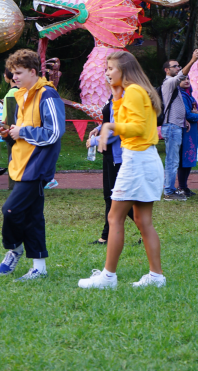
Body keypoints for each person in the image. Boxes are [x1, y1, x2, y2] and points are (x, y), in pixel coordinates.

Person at [78, 51, 166, 289]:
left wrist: (109, 125)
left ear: (124, 70)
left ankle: (108, 277)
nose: (106, 72)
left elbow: (136, 127)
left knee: (115, 217)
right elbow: (130, 118)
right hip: (144, 159)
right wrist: (116, 96)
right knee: (142, 220)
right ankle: (156, 277)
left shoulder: (135, 91)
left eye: (110, 68)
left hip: (137, 160)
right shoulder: (132, 92)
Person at [0, 49, 65, 281]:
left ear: (33, 72)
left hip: (36, 168)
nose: (13, 77)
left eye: (18, 73)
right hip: (19, 165)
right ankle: (39, 268)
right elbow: (16, 132)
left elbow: (54, 133)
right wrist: (6, 132)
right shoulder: (19, 95)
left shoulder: (48, 95)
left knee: (10, 210)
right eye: (12, 73)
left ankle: (14, 248)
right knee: (33, 217)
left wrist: (21, 131)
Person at [88, 92, 134, 244]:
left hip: (118, 154)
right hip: (108, 153)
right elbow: (110, 121)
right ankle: (106, 236)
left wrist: (95, 140)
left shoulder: (125, 96)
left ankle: (144, 227)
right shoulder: (112, 95)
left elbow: (119, 128)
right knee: (110, 196)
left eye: (110, 69)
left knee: (117, 197)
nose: (107, 73)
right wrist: (99, 128)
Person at [159, 50, 198, 201]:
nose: (178, 68)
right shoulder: (169, 82)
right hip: (171, 127)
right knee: (172, 160)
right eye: (175, 66)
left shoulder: (175, 87)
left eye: (179, 66)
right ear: (167, 70)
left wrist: (183, 120)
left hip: (175, 125)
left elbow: (177, 107)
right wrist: (192, 60)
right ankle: (169, 191)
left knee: (174, 160)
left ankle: (170, 189)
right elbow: (182, 76)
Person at [176, 76, 198, 196]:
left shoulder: (189, 96)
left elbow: (197, 111)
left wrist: (197, 113)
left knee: (189, 159)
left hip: (191, 132)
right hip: (185, 131)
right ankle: (181, 187)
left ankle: (184, 186)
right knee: (184, 159)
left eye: (188, 79)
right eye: (183, 79)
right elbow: (187, 114)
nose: (186, 81)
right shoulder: (181, 96)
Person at [0, 68, 19, 190]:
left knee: (13, 159)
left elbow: (9, 116)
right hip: (12, 129)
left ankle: (14, 185)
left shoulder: (12, 93)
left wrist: (1, 126)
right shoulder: (18, 91)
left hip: (10, 129)